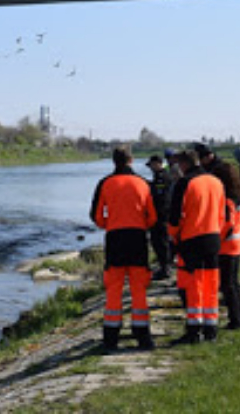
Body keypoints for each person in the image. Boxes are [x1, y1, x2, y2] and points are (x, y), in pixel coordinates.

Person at [90, 145, 157, 352]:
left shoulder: (105, 183)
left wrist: (110, 223)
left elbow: (96, 216)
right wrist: (139, 224)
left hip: (115, 238)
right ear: (131, 160)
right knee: (139, 289)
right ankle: (143, 337)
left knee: (113, 289)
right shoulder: (143, 184)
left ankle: (111, 339)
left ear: (114, 161)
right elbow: (153, 216)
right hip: (137, 238)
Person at [168, 149, 225, 344]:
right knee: (211, 284)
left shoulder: (184, 183)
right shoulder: (216, 181)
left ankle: (194, 330)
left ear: (184, 164)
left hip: (191, 239)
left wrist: (173, 235)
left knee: (194, 286)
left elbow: (174, 217)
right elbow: (222, 213)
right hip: (213, 237)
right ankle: (211, 327)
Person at [219, 177, 240, 331]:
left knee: (228, 285)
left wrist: (217, 239)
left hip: (227, 246)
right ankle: (239, 317)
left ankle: (235, 319)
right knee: (234, 284)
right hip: (237, 242)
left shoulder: (228, 201)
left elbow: (227, 224)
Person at [144, 154, 172, 279]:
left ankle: (166, 268)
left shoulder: (163, 177)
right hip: (159, 215)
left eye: (152, 165)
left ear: (158, 164)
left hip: (161, 215)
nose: (151, 168)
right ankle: (164, 266)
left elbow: (162, 197)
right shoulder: (159, 177)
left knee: (161, 242)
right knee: (158, 242)